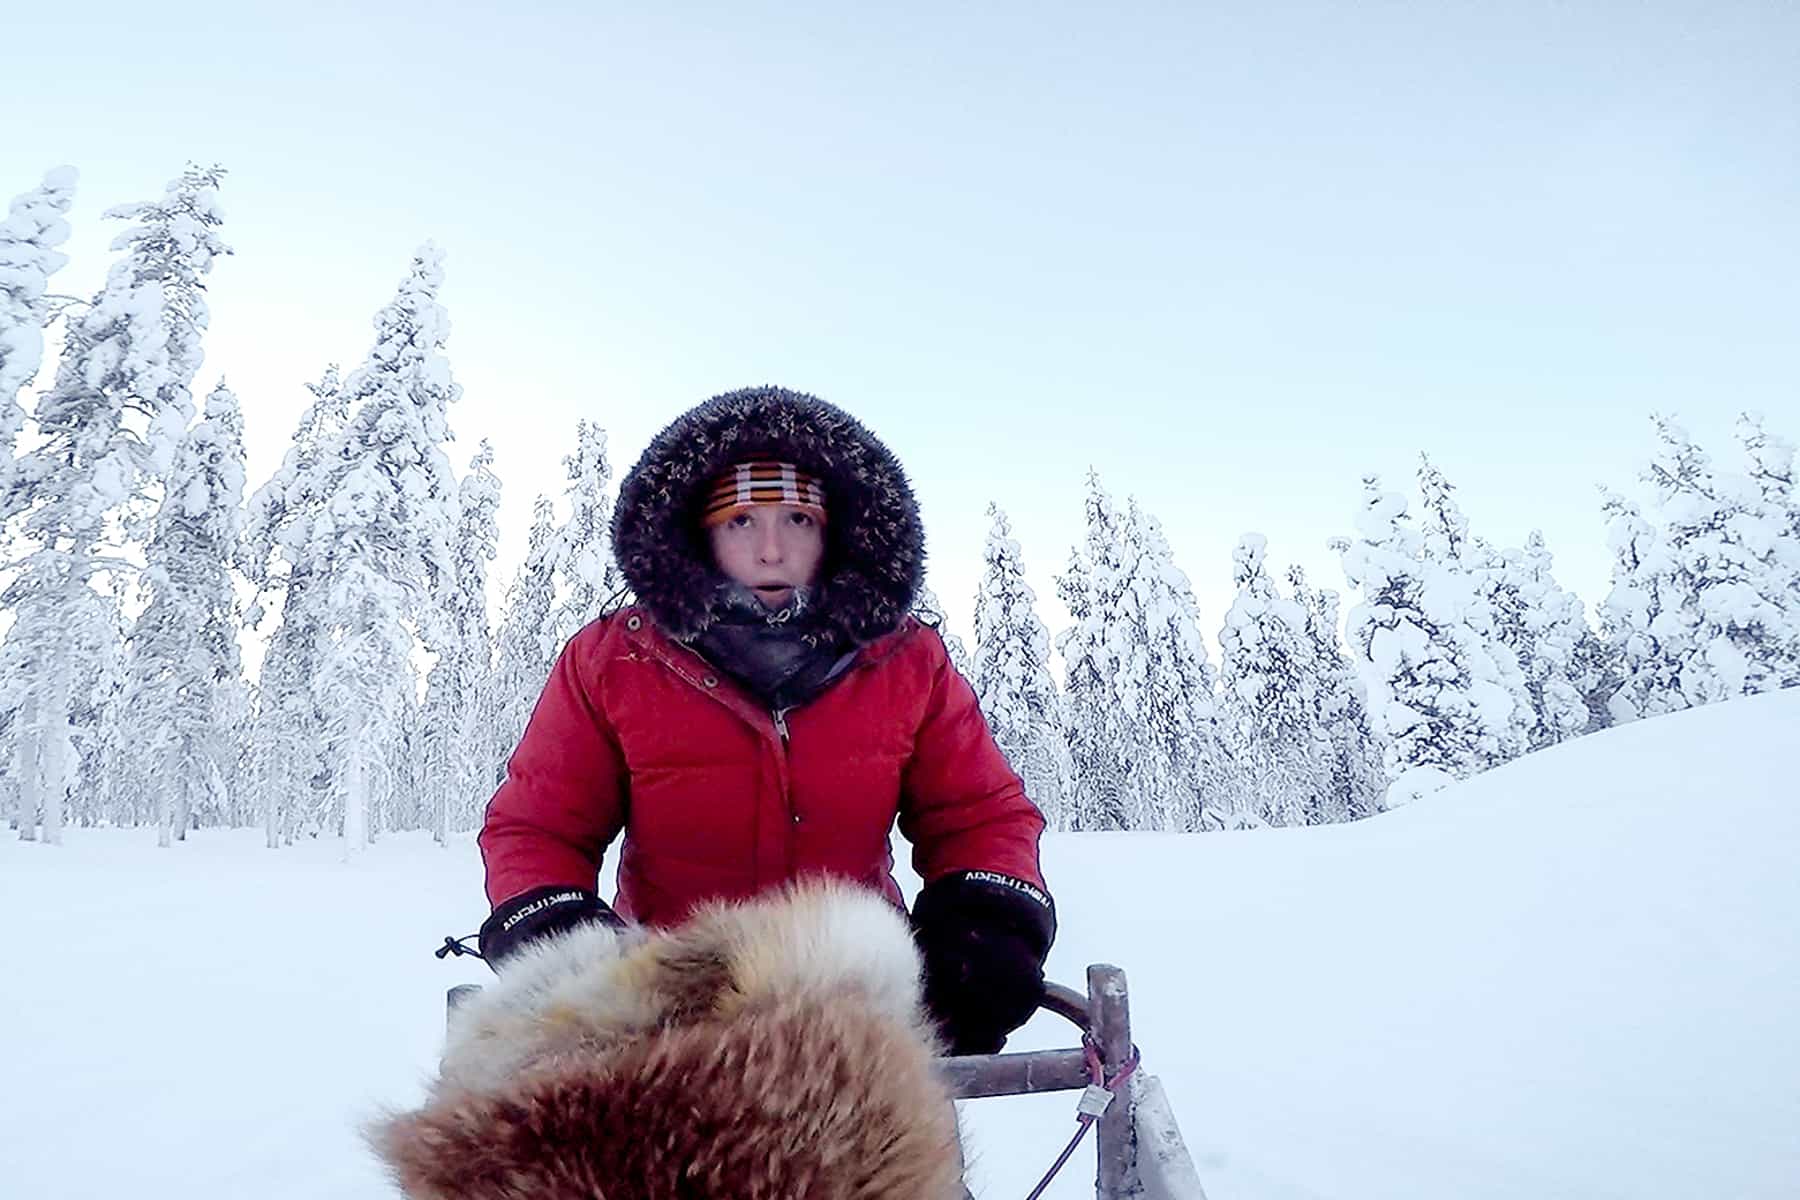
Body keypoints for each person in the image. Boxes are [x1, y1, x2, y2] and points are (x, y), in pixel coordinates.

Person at [476, 385, 1054, 1056]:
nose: (772, 550)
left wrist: (984, 924)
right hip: (669, 1013)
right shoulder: (612, 660)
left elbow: (980, 816)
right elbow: (539, 825)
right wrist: (560, 933)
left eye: (799, 521)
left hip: (861, 1000)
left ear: (836, 532)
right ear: (701, 534)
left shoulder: (908, 661)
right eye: (742, 521)